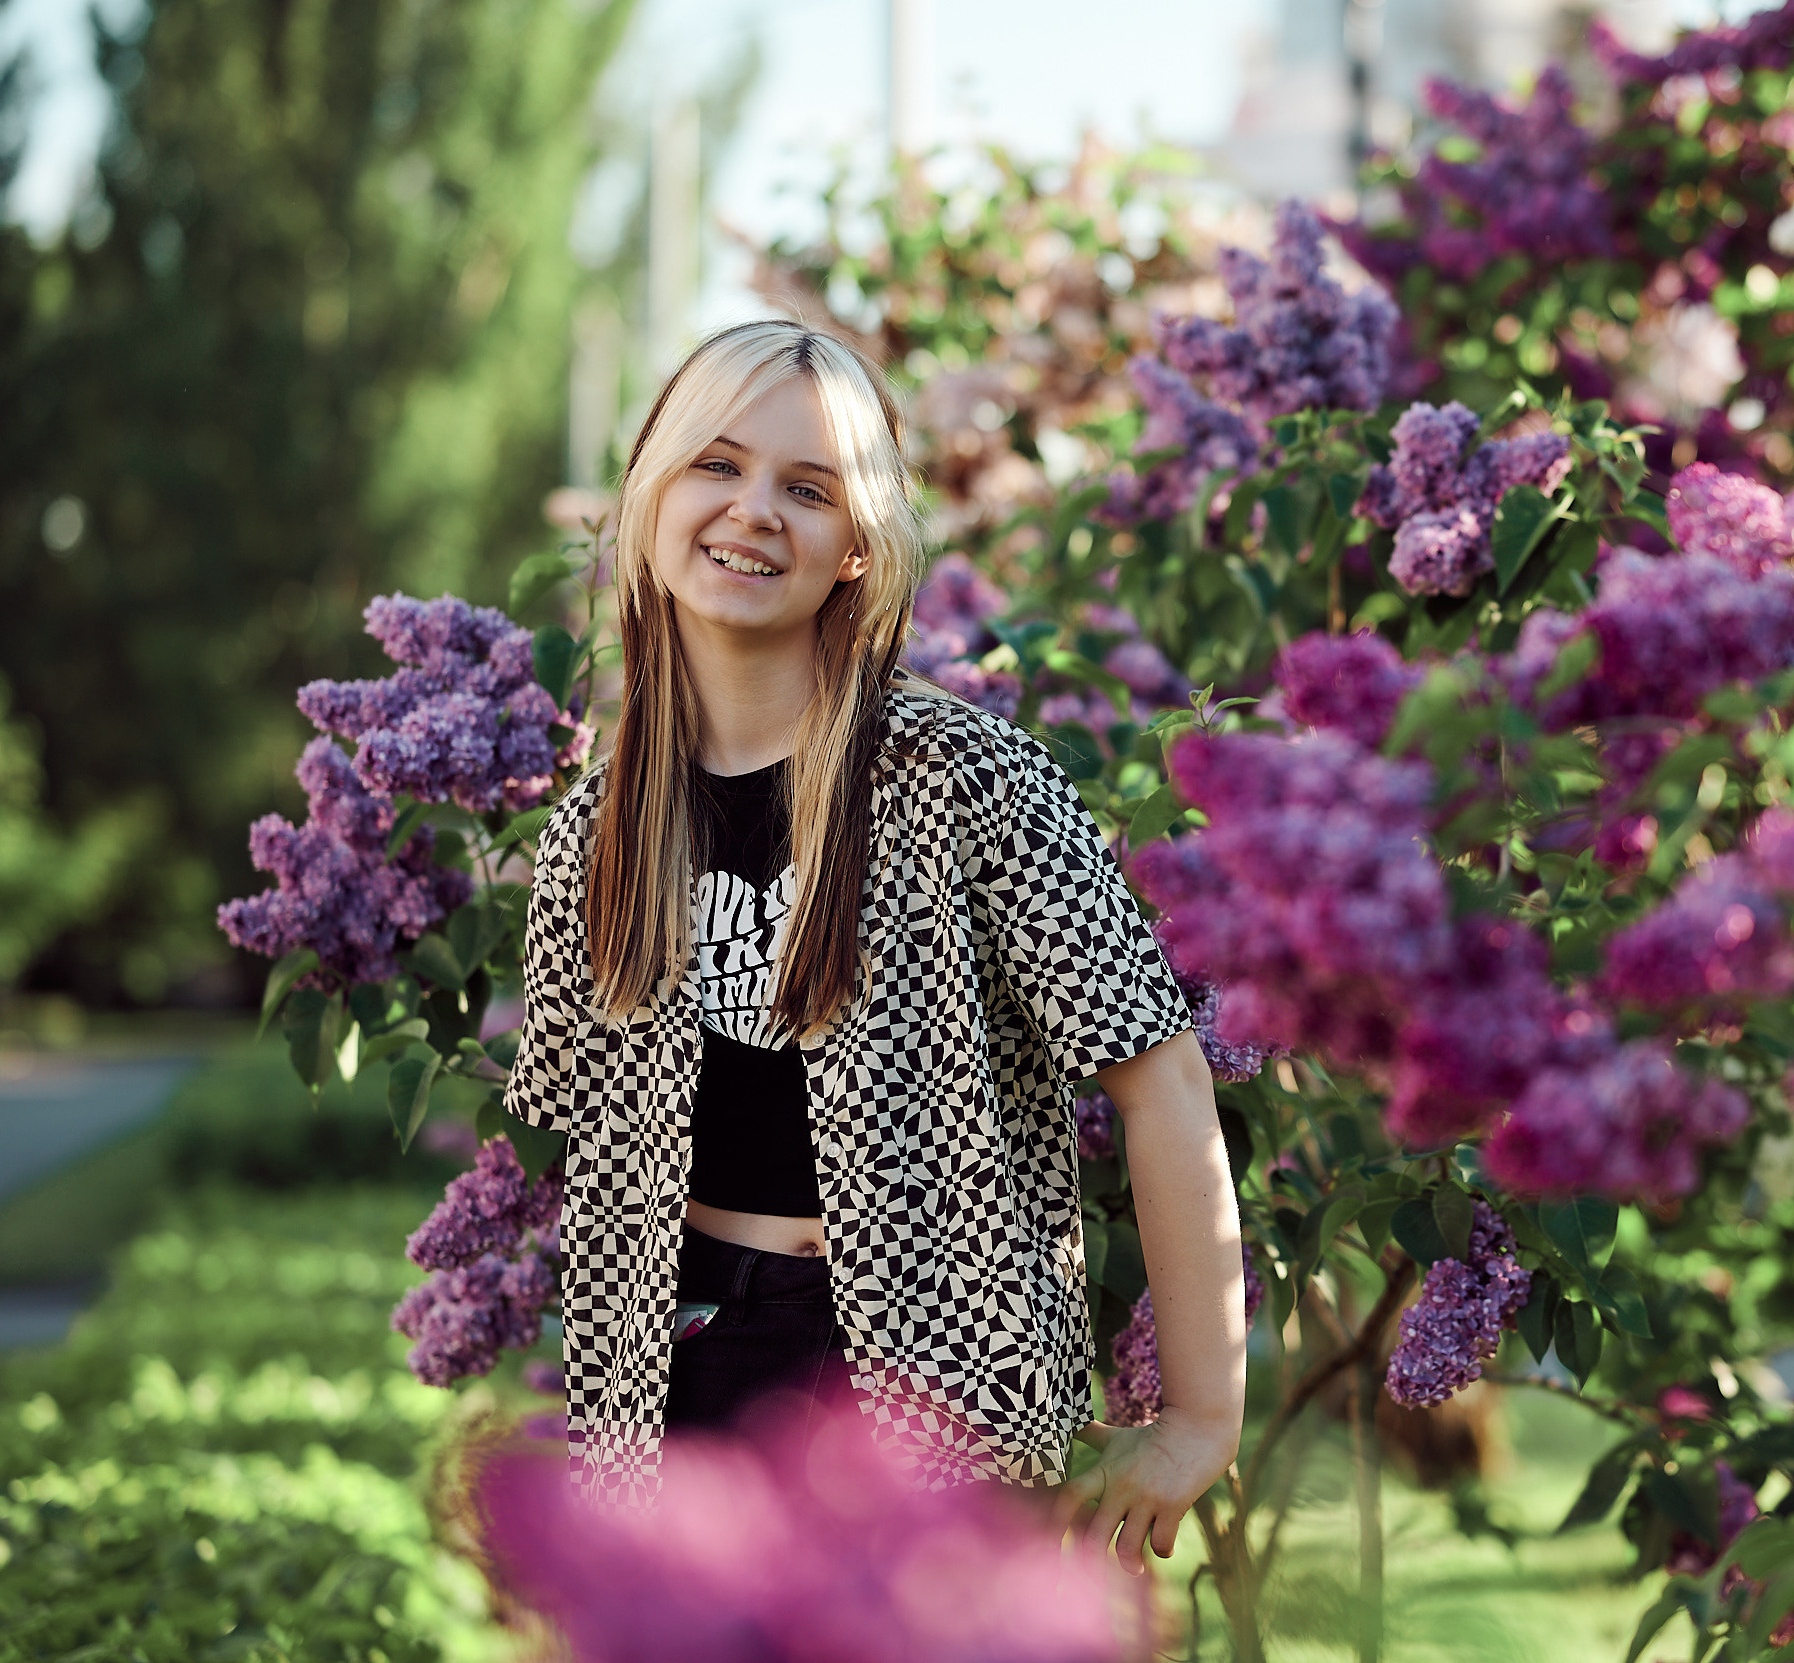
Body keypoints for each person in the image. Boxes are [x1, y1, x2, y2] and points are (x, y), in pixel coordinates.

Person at [503, 319, 1246, 1571]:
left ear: (859, 544)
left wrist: (1199, 1416)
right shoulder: (601, 823)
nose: (752, 511)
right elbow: (599, 1163)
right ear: (650, 490)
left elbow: (1159, 1072)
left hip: (936, 1386)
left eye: (807, 487)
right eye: (715, 465)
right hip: (679, 1391)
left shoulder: (962, 776)